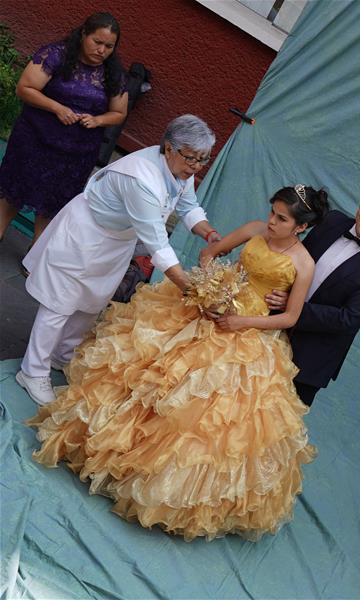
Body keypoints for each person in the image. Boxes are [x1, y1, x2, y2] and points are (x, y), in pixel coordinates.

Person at [28, 185, 328, 541]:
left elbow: (290, 317)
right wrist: (213, 284)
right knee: (149, 374)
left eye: (281, 219)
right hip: (209, 309)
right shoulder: (253, 230)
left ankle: (156, 487)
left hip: (247, 331)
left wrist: (241, 321)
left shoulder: (304, 264)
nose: (271, 222)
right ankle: (105, 445)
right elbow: (211, 253)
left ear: (300, 227)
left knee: (205, 415)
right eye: (272, 212)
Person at [16, 114, 220, 406]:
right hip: (86, 234)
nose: (196, 167)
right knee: (58, 305)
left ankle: (63, 356)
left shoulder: (180, 170)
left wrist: (210, 234)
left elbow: (189, 207)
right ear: (169, 148)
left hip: (115, 242)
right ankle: (32, 372)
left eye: (203, 160)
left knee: (90, 305)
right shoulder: (141, 179)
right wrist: (186, 284)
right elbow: (156, 240)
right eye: (192, 159)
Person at [266, 183, 360, 406]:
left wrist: (291, 307)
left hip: (308, 360)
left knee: (270, 429)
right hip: (266, 329)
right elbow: (292, 259)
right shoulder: (332, 220)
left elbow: (347, 318)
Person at [0, 12, 128, 243]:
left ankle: (36, 253)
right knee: (15, 189)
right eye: (97, 42)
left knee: (54, 202)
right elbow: (25, 88)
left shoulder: (114, 74)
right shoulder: (55, 55)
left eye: (109, 46)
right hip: (35, 138)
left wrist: (99, 120)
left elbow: (119, 113)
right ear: (83, 35)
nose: (102, 50)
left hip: (77, 152)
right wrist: (57, 108)